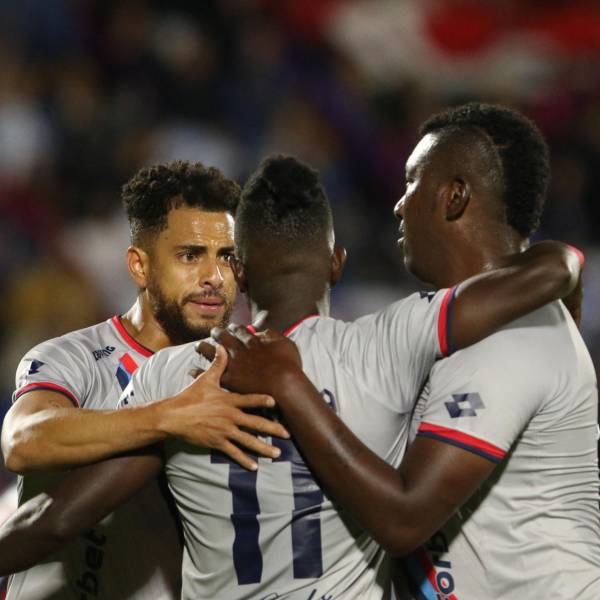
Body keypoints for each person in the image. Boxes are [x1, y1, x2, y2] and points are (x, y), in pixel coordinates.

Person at [0, 153, 583, 599]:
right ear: (337, 264)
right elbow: (541, 274)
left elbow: (55, 522)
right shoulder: (390, 343)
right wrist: (569, 263)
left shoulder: (175, 377)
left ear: (240, 270)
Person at [206, 104, 600, 599]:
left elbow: (404, 517)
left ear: (454, 196)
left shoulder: (511, 334)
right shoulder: (458, 328)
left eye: (412, 182)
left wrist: (287, 382)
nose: (397, 206)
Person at [0, 161, 287, 600]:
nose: (214, 277)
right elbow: (24, 442)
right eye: (190, 255)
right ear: (139, 266)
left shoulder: (242, 377)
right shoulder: (74, 356)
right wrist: (167, 417)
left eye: (227, 257)